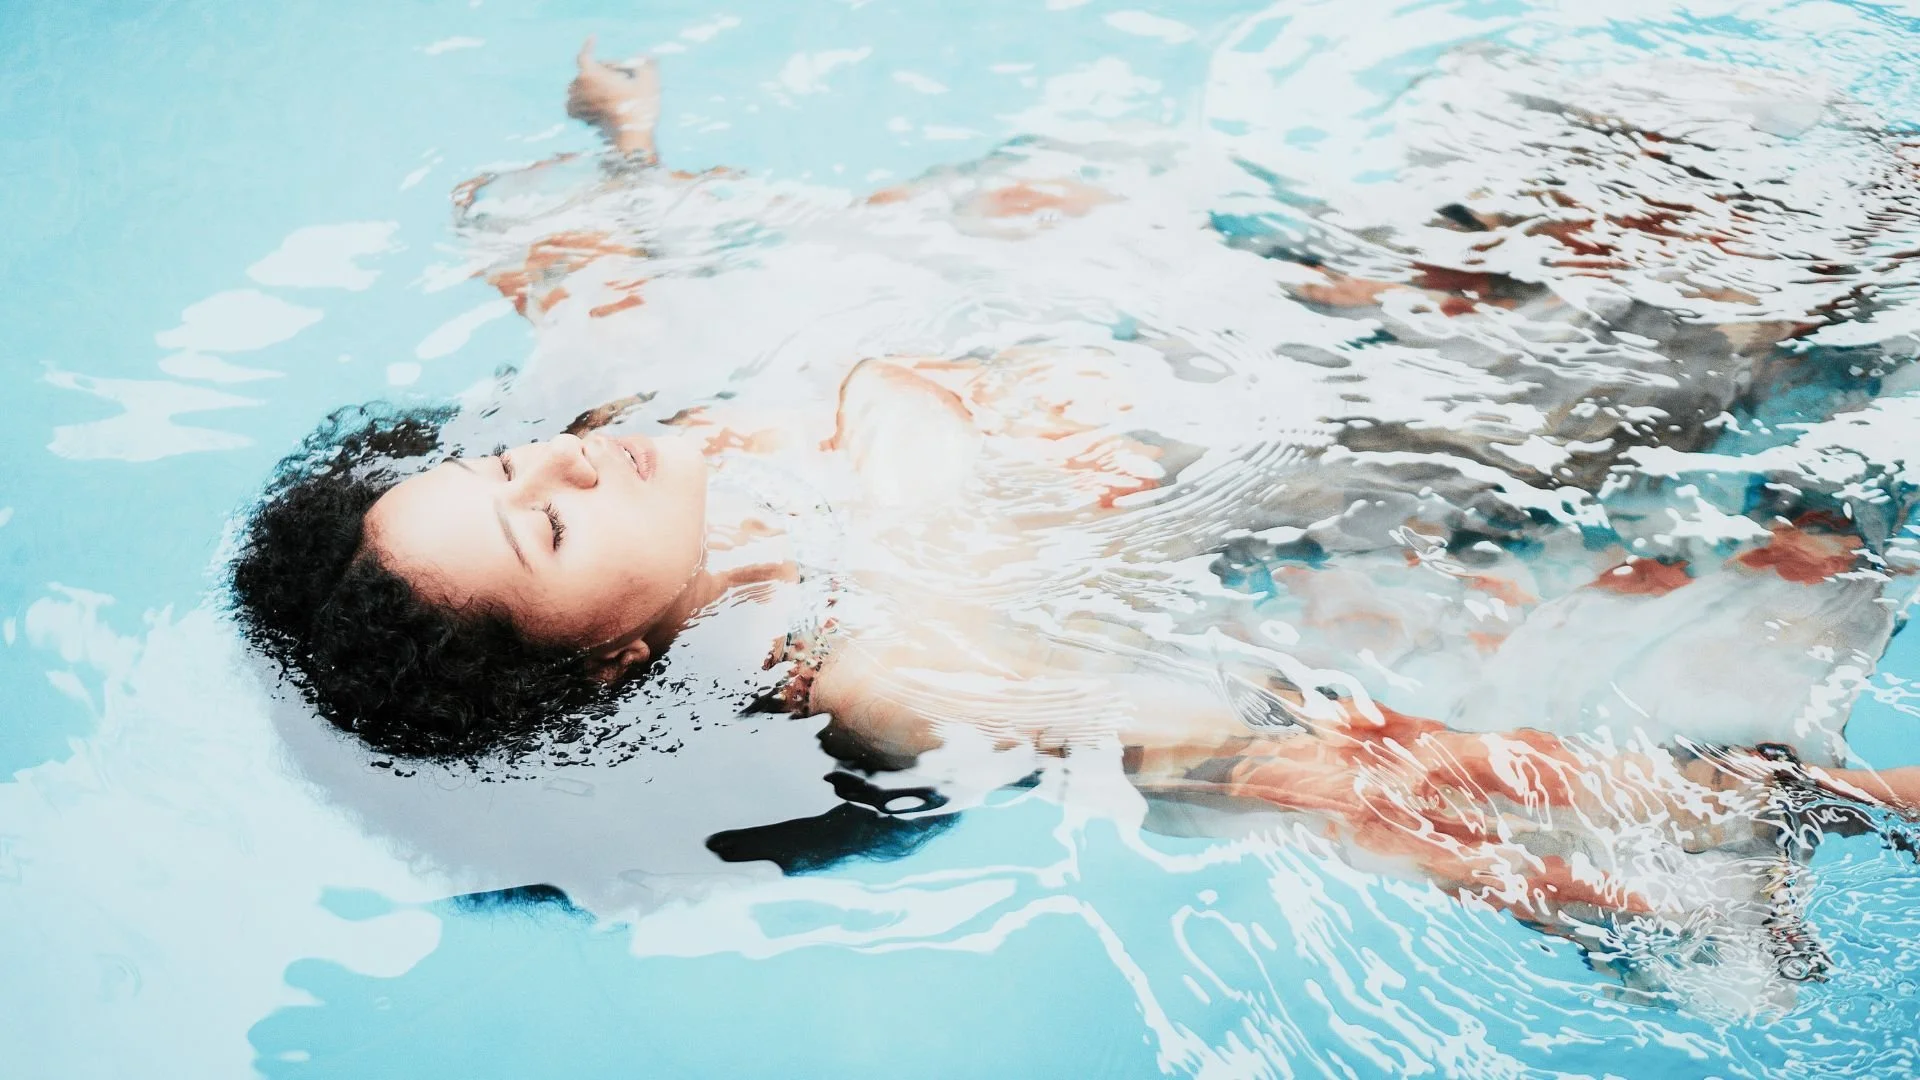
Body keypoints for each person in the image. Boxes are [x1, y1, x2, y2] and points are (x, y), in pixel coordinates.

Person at [229, 43, 1920, 954]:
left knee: (1585, 172)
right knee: (1767, 309)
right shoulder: (896, 666)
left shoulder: (628, 423)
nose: (564, 462)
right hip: (1385, 459)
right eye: (544, 522)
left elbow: (561, 253)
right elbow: (1299, 758)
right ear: (609, 668)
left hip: (1276, 291)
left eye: (503, 462)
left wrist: (624, 155)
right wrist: (1730, 821)